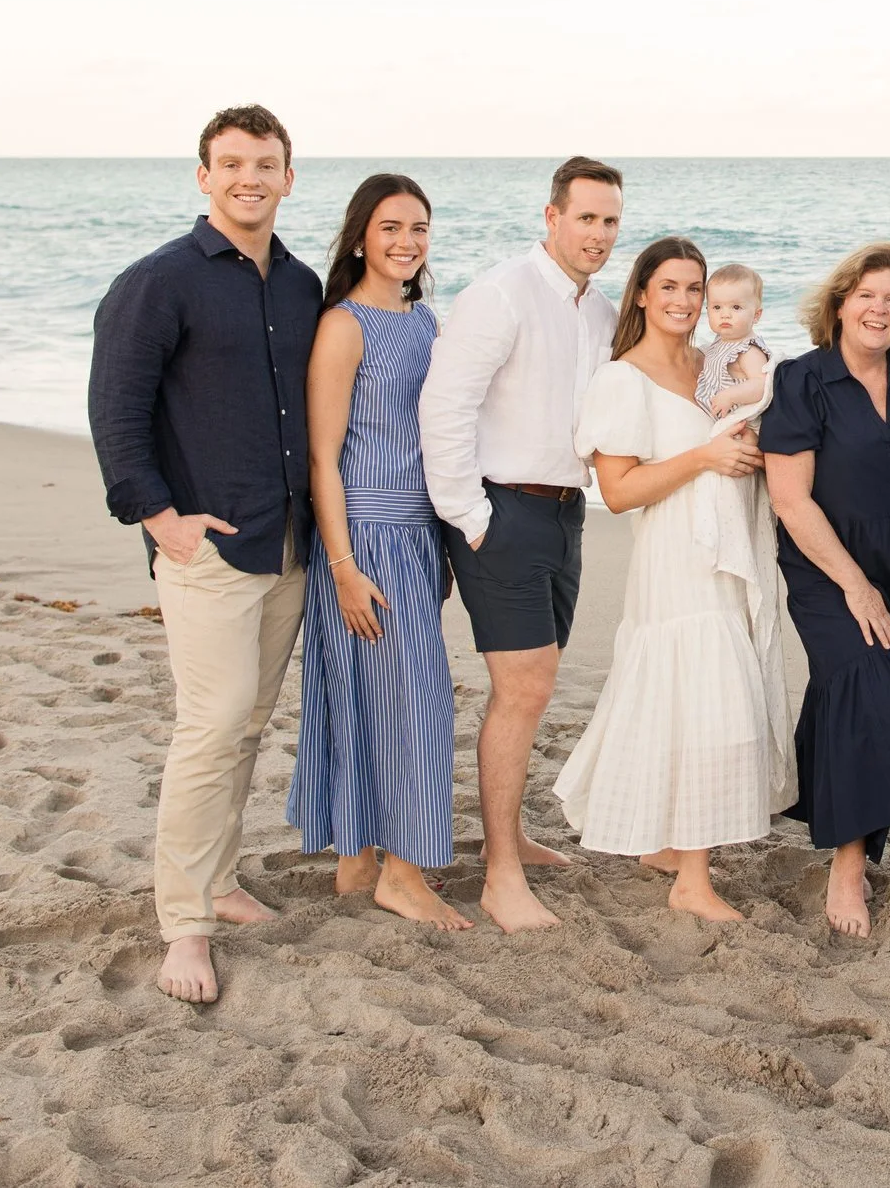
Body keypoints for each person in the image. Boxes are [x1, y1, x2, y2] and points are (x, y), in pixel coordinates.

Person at [88, 104, 322, 1004]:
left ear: (289, 177)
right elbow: (116, 410)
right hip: (209, 548)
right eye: (231, 164)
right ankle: (183, 923)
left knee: (248, 724)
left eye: (265, 164)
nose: (249, 178)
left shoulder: (300, 285)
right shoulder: (160, 281)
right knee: (209, 725)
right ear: (203, 175)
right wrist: (159, 517)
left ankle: (219, 882)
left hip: (288, 541)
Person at [552, 238, 795, 921]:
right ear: (640, 294)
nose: (685, 301)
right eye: (670, 287)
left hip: (726, 546)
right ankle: (692, 878)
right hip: (674, 559)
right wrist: (706, 455)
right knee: (703, 701)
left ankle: (661, 839)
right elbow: (621, 489)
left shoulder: (714, 363)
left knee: (695, 696)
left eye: (695, 287)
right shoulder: (622, 379)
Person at [419, 156, 623, 933]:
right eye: (586, 218)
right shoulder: (501, 293)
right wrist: (471, 516)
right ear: (552, 216)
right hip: (501, 514)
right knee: (524, 688)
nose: (598, 234)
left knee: (534, 687)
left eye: (610, 221)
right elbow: (445, 407)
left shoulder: (600, 312)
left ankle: (511, 836)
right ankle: (500, 873)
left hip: (567, 514)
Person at [285, 174, 470, 932]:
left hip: (417, 533)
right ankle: (402, 872)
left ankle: (357, 858)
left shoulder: (426, 321)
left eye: (419, 228)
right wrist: (342, 566)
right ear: (361, 234)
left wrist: (446, 540)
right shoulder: (343, 324)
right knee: (416, 705)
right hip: (362, 540)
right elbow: (322, 458)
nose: (406, 241)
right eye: (391, 227)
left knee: (378, 698)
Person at [760, 243, 890, 937]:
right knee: (865, 681)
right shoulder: (802, 380)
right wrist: (857, 585)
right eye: (866, 294)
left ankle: (841, 812)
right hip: (826, 559)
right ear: (839, 303)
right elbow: (791, 499)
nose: (880, 308)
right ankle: (847, 863)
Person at [698, 263, 774, 417]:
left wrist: (730, 396)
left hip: (740, 418)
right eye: (717, 307)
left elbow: (761, 385)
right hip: (718, 414)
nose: (725, 314)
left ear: (756, 315)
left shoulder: (748, 350)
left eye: (736, 307)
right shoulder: (722, 340)